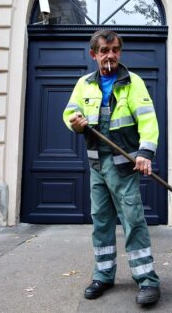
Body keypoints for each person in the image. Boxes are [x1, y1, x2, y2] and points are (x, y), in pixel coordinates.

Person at [62, 30, 161, 305]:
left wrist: (144, 153)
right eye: (104, 51)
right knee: (101, 221)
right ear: (94, 54)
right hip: (97, 163)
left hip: (124, 164)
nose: (110, 56)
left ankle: (147, 280)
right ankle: (103, 275)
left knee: (133, 220)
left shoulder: (133, 83)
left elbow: (148, 122)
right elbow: (69, 112)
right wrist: (75, 120)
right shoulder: (84, 84)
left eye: (115, 50)